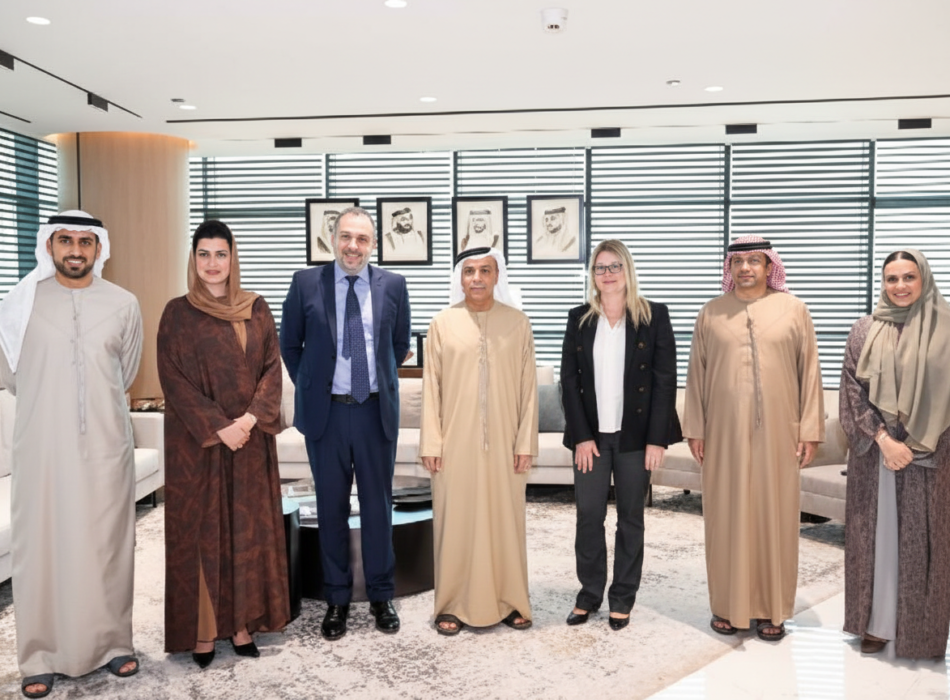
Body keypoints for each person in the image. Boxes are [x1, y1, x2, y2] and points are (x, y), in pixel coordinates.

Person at [0, 211, 143, 698]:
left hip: (105, 445)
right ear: (49, 246)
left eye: (85, 242)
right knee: (42, 549)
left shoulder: (123, 303)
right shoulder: (20, 304)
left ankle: (113, 643)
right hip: (42, 449)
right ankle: (39, 656)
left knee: (108, 546)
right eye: (66, 240)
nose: (76, 250)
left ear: (100, 248)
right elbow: (12, 377)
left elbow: (125, 372)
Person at [158, 220, 290, 668]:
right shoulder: (177, 313)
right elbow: (173, 380)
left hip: (250, 441)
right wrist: (220, 426)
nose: (212, 264)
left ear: (233, 259)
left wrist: (249, 420)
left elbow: (272, 368)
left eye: (220, 254)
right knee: (202, 536)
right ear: (193, 259)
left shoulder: (256, 308)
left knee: (245, 534)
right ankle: (203, 631)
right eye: (204, 254)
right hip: (199, 447)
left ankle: (241, 626)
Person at [683, 234, 824, 642]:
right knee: (725, 516)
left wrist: (810, 430)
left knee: (775, 516)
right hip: (722, 433)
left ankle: (772, 608)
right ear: (729, 268)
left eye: (754, 260)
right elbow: (696, 376)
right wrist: (695, 429)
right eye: (738, 261)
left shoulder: (794, 310)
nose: (745, 267)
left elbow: (810, 373)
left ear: (769, 266)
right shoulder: (711, 313)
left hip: (780, 433)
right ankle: (728, 606)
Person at [281, 206, 411, 640]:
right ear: (333, 239)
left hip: (375, 412)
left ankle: (381, 594)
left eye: (362, 239)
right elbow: (290, 344)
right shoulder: (306, 283)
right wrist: (313, 383)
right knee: (331, 508)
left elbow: (398, 345)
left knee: (378, 508)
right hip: (328, 414)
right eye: (346, 237)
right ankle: (336, 598)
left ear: (373, 244)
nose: (353, 246)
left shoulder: (394, 285)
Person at [560, 240, 679, 630]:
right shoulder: (579, 318)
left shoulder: (654, 316)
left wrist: (657, 439)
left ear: (627, 270)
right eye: (600, 267)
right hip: (591, 439)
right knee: (588, 517)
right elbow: (569, 381)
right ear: (592, 275)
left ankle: (622, 597)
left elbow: (664, 381)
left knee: (631, 518)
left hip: (635, 438)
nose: (607, 274)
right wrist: (581, 436)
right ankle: (589, 594)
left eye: (614, 266)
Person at [420, 246, 538, 635]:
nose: (477, 278)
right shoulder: (442, 323)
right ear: (460, 277)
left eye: (485, 271)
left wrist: (525, 443)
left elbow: (528, 390)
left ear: (496, 276)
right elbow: (432, 389)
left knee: (506, 522)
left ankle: (510, 600)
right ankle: (451, 604)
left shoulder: (517, 323)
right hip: (454, 444)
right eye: (469, 271)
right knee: (456, 523)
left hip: (505, 444)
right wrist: (432, 443)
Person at [840, 249, 950, 658]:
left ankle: (921, 630)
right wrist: (884, 439)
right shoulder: (864, 329)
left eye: (908, 277)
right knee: (875, 536)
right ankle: (875, 624)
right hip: (876, 454)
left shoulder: (946, 327)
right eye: (891, 279)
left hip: (932, 454)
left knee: (925, 541)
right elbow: (852, 391)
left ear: (924, 280)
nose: (900, 286)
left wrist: (919, 443)